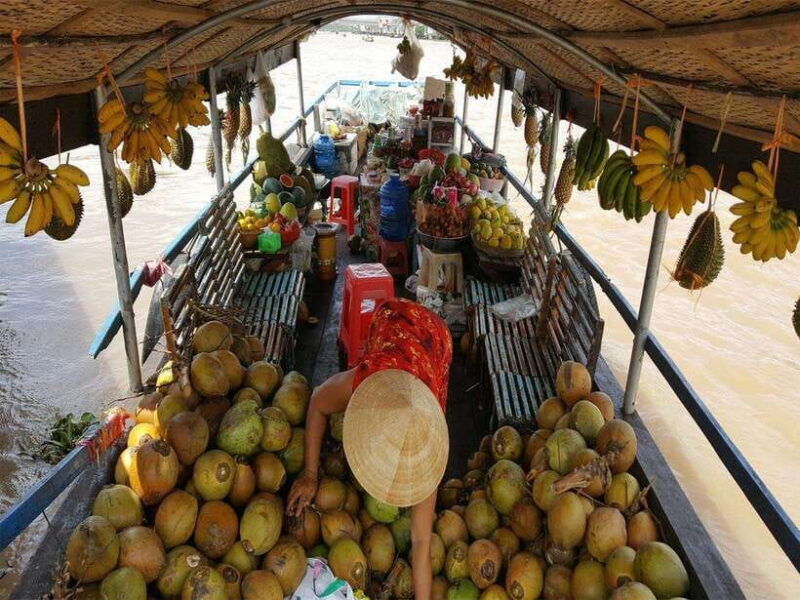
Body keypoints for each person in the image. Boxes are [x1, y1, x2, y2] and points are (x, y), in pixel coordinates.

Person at [287, 298, 453, 598]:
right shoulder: (366, 381)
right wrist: (310, 474)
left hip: (435, 340)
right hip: (397, 321)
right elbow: (317, 402)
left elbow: (421, 543)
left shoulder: (430, 452)